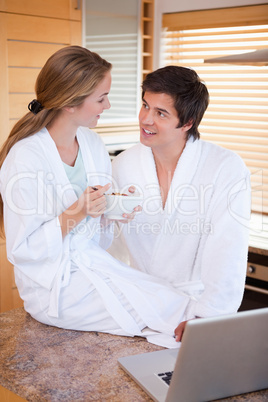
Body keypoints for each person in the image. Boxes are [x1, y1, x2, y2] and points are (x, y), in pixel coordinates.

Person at [0, 46, 193, 348]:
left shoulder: (91, 144)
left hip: (92, 266)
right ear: (71, 103)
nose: (108, 104)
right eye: (101, 98)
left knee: (179, 301)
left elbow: (96, 235)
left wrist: (112, 209)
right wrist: (78, 211)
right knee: (162, 313)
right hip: (53, 287)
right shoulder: (25, 158)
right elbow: (24, 249)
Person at [110, 65, 251, 341]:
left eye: (160, 113)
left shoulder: (224, 167)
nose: (146, 119)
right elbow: (111, 245)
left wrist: (208, 317)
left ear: (187, 122)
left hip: (193, 310)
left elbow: (227, 249)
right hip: (136, 306)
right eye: (145, 106)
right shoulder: (124, 164)